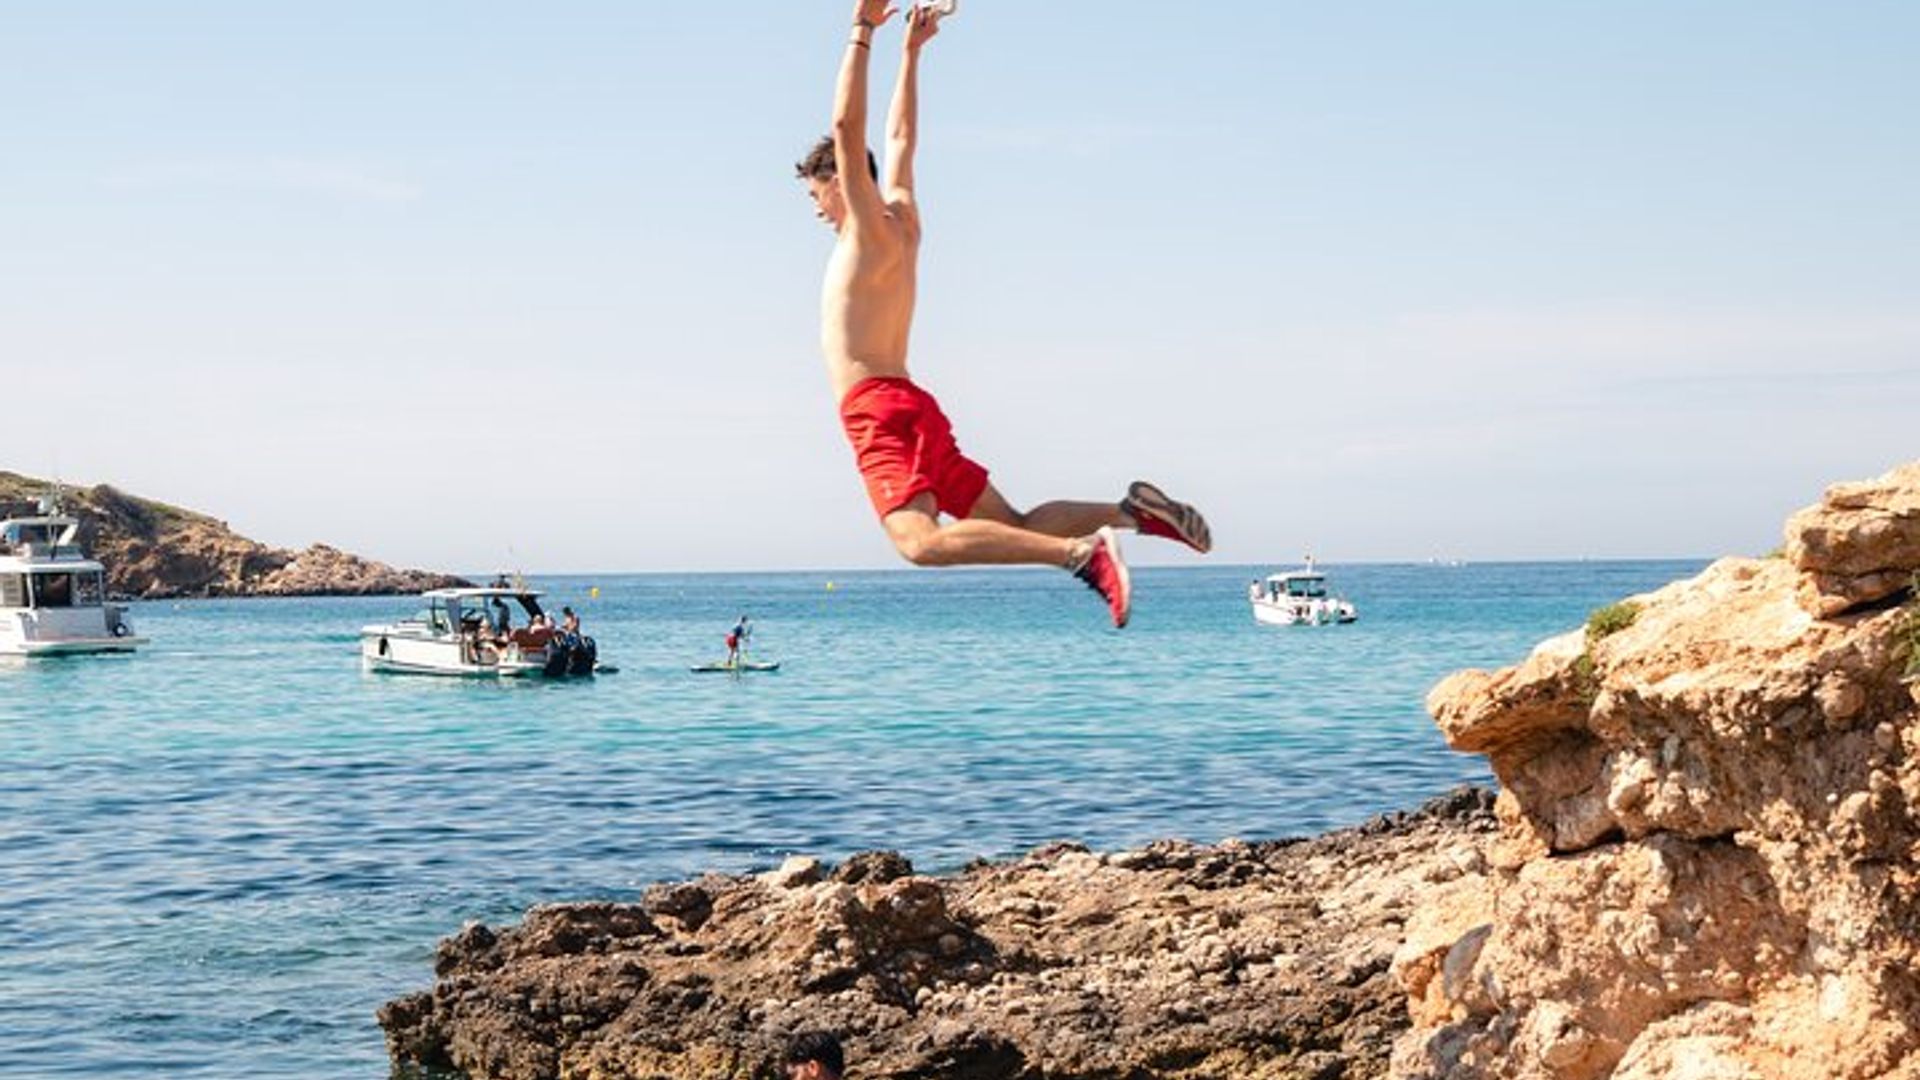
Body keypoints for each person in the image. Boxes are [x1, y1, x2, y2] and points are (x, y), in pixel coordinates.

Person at [797, 0, 1211, 629]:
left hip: (878, 407)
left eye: (815, 192)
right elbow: (900, 139)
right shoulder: (904, 220)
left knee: (919, 543)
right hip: (912, 403)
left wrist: (862, 29)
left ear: (843, 181)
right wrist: (912, 53)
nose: (816, 208)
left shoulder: (864, 231)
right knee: (1007, 525)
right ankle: (1134, 514)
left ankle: (1081, 553)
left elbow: (848, 129)